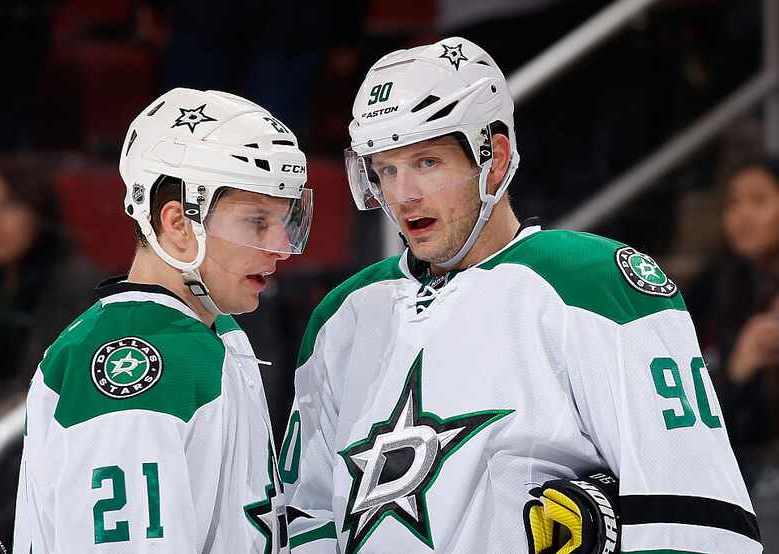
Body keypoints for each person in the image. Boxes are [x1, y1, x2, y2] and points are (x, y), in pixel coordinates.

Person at [281, 38, 760, 553]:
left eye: (426, 163)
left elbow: (693, 513)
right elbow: (306, 515)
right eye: (386, 170)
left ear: (495, 156)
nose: (402, 194)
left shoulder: (593, 284)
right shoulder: (343, 315)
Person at [13, 88, 313, 553]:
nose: (279, 245)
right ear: (177, 223)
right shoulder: (136, 363)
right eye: (257, 222)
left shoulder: (217, 330)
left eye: (284, 221)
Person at [0, 156, 100, 429]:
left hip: (27, 433)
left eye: (8, 205)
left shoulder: (71, 283)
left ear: (39, 213)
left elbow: (46, 383)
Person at [688, 160, 779, 465]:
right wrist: (741, 367)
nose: (742, 215)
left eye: (759, 201)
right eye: (733, 203)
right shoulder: (711, 286)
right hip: (738, 458)